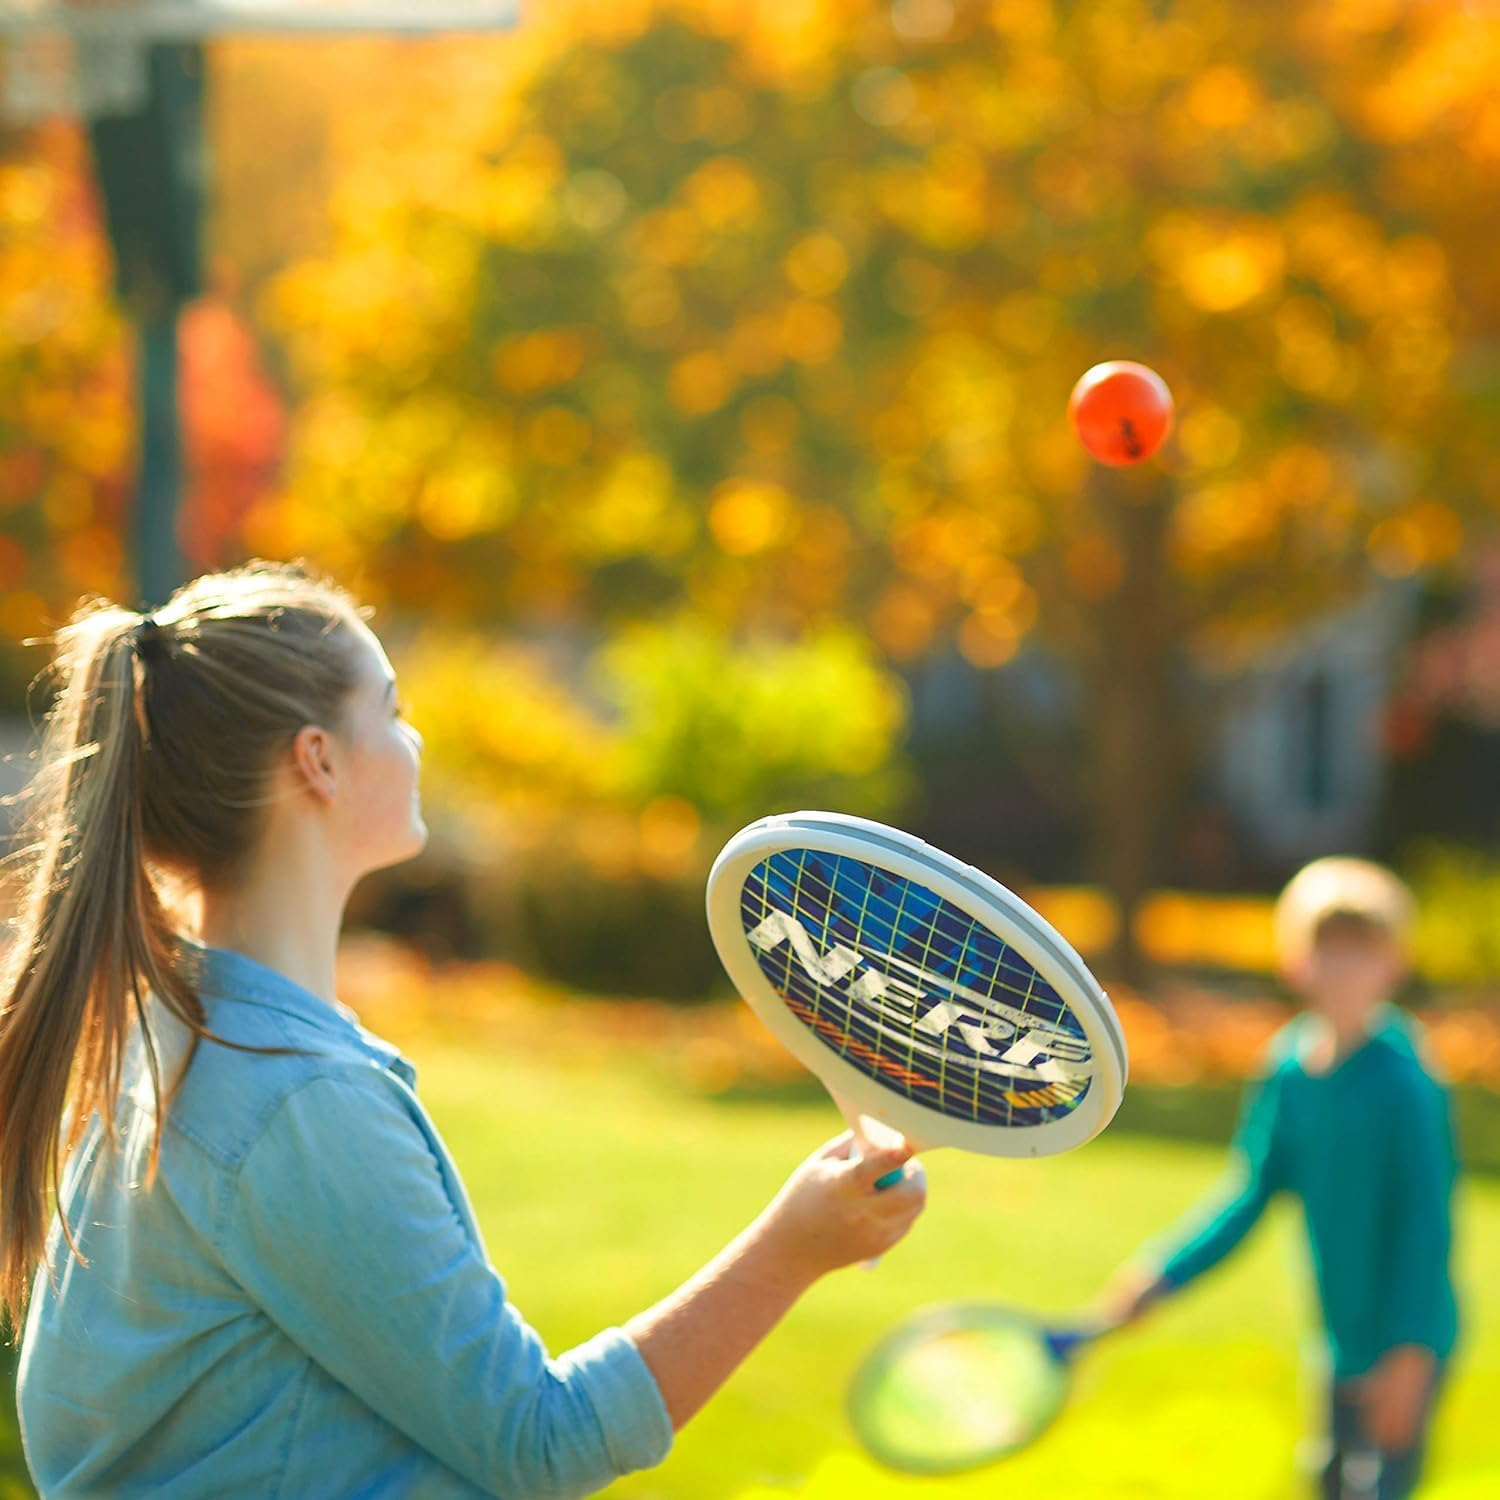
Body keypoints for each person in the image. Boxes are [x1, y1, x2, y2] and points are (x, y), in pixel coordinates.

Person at [2, 561, 926, 1498]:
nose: (415, 738)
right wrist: (794, 1249)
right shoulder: (292, 1100)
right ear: (317, 760)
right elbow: (540, 1441)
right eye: (392, 709)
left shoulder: (164, 1043)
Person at [1099, 856, 1459, 1500]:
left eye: (1363, 951)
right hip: (1340, 1338)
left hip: (1409, 1340)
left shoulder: (1407, 1082)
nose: (1344, 969)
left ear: (1394, 966)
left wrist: (1409, 1355)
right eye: (1328, 949)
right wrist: (1163, 1273)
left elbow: (1426, 1226)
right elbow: (1250, 1192)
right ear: (1295, 961)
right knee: (1327, 1481)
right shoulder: (1289, 1070)